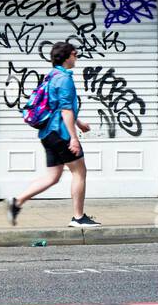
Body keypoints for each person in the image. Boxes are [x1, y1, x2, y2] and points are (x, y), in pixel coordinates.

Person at [6, 41, 100, 228]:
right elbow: (65, 110)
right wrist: (73, 137)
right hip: (61, 134)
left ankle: (16, 203)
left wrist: (79, 123)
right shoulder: (64, 78)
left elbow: (56, 105)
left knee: (53, 177)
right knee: (79, 172)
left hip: (47, 133)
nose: (77, 57)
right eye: (75, 53)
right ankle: (78, 217)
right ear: (67, 56)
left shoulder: (51, 75)